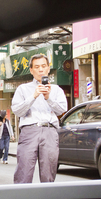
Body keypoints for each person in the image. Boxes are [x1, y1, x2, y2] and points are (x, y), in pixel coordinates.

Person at [11, 54, 67, 184]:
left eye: (43, 66)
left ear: (48, 68)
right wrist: (34, 96)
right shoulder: (23, 89)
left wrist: (48, 97)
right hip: (29, 131)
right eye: (36, 67)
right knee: (23, 172)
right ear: (31, 70)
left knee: (48, 174)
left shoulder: (57, 90)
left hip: (49, 131)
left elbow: (62, 110)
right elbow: (17, 111)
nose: (40, 69)